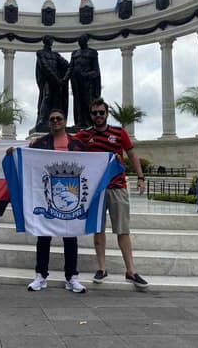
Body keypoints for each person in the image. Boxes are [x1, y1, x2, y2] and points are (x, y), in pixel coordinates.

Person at [74, 98, 149, 289]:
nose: (98, 116)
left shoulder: (119, 132)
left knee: (122, 230)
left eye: (101, 112)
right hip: (96, 190)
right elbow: (64, 145)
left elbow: (132, 155)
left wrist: (140, 177)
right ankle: (102, 268)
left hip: (117, 187)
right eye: (94, 113)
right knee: (98, 230)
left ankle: (131, 271)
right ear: (90, 115)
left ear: (107, 114)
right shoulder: (84, 135)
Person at [27, 108, 87, 294]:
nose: (55, 121)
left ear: (65, 120)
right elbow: (28, 160)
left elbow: (91, 164)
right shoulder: (40, 143)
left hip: (72, 199)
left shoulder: (77, 144)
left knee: (71, 237)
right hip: (47, 199)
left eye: (58, 118)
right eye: (52, 119)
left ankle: (71, 277)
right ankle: (41, 275)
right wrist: (14, 151)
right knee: (43, 236)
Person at [34, 35, 69, 132]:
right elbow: (45, 67)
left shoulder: (56, 55)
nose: (51, 42)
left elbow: (66, 64)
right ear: (45, 41)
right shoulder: (40, 53)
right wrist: (56, 79)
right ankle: (42, 119)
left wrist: (65, 78)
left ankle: (58, 120)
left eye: (51, 40)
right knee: (47, 97)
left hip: (57, 82)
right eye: (49, 40)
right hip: (47, 81)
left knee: (57, 101)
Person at [65, 34, 101, 128]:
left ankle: (90, 123)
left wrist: (86, 75)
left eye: (82, 40)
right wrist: (65, 79)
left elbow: (96, 70)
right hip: (76, 81)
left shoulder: (92, 52)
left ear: (86, 41)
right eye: (79, 40)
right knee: (77, 102)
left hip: (87, 82)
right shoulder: (74, 53)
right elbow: (71, 67)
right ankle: (79, 122)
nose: (80, 42)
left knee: (88, 102)